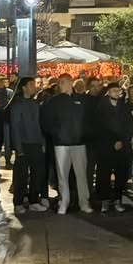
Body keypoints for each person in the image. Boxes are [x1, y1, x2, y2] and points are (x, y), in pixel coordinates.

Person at [41, 75, 90, 214]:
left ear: (70, 83)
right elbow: (46, 122)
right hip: (61, 143)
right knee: (62, 175)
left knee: (81, 175)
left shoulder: (79, 100)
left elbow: (86, 120)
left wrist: (83, 134)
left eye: (63, 82)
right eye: (60, 82)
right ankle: (64, 202)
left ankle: (83, 202)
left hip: (78, 143)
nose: (61, 85)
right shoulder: (53, 102)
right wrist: (56, 134)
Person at [88, 83, 133, 212]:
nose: (116, 93)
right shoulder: (100, 108)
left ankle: (118, 198)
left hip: (122, 147)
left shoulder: (123, 108)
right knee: (104, 174)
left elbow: (129, 126)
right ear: (108, 92)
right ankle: (104, 200)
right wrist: (111, 141)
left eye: (118, 91)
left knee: (121, 174)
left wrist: (122, 140)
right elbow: (98, 127)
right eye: (113, 91)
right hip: (105, 147)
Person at [7, 78, 48, 212]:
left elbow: (39, 124)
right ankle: (18, 203)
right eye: (31, 85)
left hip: (36, 143)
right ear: (23, 87)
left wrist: (42, 142)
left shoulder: (35, 104)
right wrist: (18, 148)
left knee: (37, 173)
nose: (34, 87)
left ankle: (33, 200)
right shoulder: (17, 104)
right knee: (21, 175)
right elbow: (15, 127)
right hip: (23, 144)